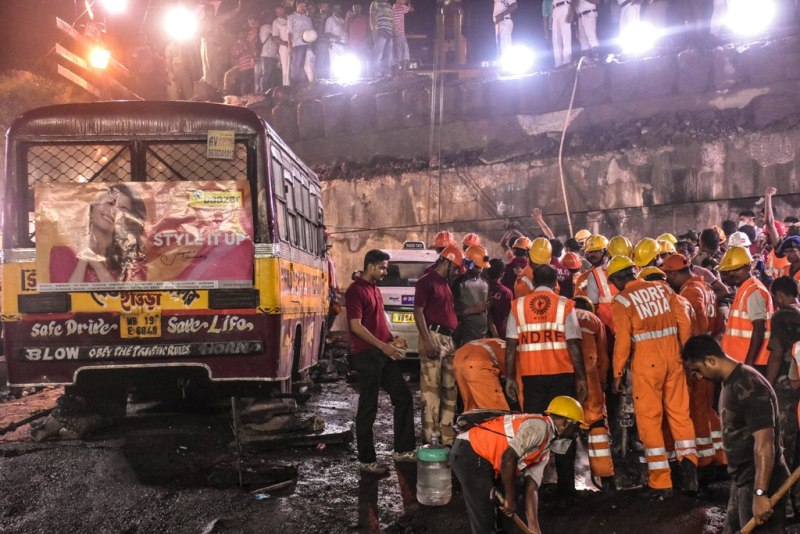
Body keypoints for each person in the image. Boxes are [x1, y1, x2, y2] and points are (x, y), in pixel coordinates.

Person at [607, 255, 698, 497]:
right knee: (680, 416)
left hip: (647, 364)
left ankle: (661, 481)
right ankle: (690, 476)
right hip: (675, 358)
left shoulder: (622, 300)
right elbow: (685, 322)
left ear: (616, 279)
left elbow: (623, 341)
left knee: (649, 420)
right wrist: (687, 354)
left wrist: (617, 373)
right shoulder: (663, 288)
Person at [681, 335, 789, 533]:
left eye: (697, 370)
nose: (697, 377)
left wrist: (760, 493)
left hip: (761, 481)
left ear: (711, 360)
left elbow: (764, 444)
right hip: (743, 482)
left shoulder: (748, 385)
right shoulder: (731, 381)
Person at [505, 264, 588, 498]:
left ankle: (532, 489)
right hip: (562, 377)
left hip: (531, 378)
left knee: (533, 431)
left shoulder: (518, 306)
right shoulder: (564, 305)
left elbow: (511, 345)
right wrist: (581, 377)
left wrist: (510, 377)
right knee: (564, 430)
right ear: (555, 283)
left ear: (532, 283)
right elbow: (573, 343)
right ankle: (565, 490)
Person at [450, 396, 585, 534]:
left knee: (506, 520)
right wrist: (510, 497)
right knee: (485, 519)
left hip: (489, 461)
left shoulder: (546, 446)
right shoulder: (539, 427)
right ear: (566, 422)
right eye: (577, 426)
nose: (577, 433)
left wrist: (534, 528)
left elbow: (531, 487)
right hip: (470, 452)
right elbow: (508, 457)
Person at [345, 249, 416, 475]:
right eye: (383, 267)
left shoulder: (374, 288)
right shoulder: (355, 290)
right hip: (366, 355)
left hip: (382, 352)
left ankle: (403, 450)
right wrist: (383, 345)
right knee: (368, 407)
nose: (386, 271)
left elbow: (377, 321)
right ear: (371, 266)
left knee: (403, 397)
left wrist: (392, 339)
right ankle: (367, 461)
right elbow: (356, 325)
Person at [663, 253, 727, 468]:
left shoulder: (690, 292)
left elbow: (691, 326)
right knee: (708, 407)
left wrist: (691, 358)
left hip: (698, 357)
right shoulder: (707, 288)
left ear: (675, 272)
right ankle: (719, 453)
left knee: (697, 408)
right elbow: (718, 323)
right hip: (709, 353)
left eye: (669, 275)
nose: (668, 281)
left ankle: (705, 458)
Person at [414, 245, 464, 445]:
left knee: (449, 389)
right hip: (433, 336)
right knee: (431, 392)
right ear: (448, 261)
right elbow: (418, 312)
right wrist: (427, 341)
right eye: (456, 268)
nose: (457, 272)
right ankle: (431, 437)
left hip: (448, 340)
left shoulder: (446, 283)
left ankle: (446, 435)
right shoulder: (426, 282)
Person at [50, 185, 147, 284]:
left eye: (122, 209)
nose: (113, 211)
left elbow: (121, 297)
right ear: (93, 205)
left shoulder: (133, 258)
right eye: (110, 203)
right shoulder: (62, 253)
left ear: (128, 220)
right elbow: (65, 295)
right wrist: (83, 260)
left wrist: (95, 262)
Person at [573, 296, 615, 489]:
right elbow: (603, 356)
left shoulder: (562, 316)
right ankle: (605, 479)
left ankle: (563, 479)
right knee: (596, 425)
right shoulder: (594, 320)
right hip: (590, 378)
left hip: (563, 375)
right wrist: (602, 381)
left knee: (564, 426)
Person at [766, 276, 800, 513]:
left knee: (784, 443)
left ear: (778, 295)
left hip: (787, 385)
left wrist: (766, 384)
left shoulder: (781, 316)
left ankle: (785, 502)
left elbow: (776, 354)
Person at [719, 246, 773, 373]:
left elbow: (759, 328)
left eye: (736, 270)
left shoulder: (754, 291)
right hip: (739, 360)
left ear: (749, 267)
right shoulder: (745, 288)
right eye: (729, 271)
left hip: (750, 362)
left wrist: (749, 365)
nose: (732, 274)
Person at [453, 338, 509, 411]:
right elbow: (522, 393)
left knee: (472, 409)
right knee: (496, 412)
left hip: (458, 357)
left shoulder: (502, 344)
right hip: (477, 363)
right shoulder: (521, 357)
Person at [575, 234, 616, 330]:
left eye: (596, 251)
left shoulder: (616, 271)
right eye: (589, 252)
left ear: (606, 252)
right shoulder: (583, 278)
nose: (591, 255)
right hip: (600, 325)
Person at [453, 245, 492, 344]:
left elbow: (488, 313)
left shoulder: (485, 282)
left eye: (482, 267)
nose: (480, 270)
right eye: (477, 266)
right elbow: (451, 314)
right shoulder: (458, 284)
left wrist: (493, 332)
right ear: (468, 264)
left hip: (482, 337)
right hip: (465, 338)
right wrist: (472, 310)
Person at [199, 0, 242, 90]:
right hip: (207, 46)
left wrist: (237, 9)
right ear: (207, 12)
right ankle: (209, 86)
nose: (213, 12)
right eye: (211, 11)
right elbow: (199, 34)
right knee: (208, 68)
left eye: (213, 10)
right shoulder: (202, 22)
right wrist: (210, 33)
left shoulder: (216, 19)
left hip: (216, 47)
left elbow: (227, 16)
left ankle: (215, 88)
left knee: (217, 68)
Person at [485, 258, 513, 339]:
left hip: (481, 334)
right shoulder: (506, 292)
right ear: (502, 274)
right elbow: (508, 318)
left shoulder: (481, 287)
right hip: (501, 335)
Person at [289, 1, 314, 85]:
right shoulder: (291, 17)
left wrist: (311, 45)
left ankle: (303, 84)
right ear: (297, 6)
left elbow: (311, 33)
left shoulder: (308, 19)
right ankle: (294, 85)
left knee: (306, 65)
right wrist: (290, 46)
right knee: (297, 64)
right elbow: (289, 32)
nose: (303, 8)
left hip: (307, 45)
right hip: (297, 44)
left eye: (304, 6)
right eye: (301, 6)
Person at [369, 0, 394, 77]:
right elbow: (372, 16)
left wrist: (394, 32)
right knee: (378, 52)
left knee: (388, 53)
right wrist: (373, 29)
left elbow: (392, 20)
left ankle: (387, 73)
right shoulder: (375, 3)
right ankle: (376, 72)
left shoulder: (389, 5)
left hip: (389, 31)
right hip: (380, 30)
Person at [256, 11, 279, 92]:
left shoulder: (263, 27)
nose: (272, 18)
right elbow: (277, 33)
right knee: (267, 74)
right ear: (266, 18)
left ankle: (269, 92)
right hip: (268, 54)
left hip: (270, 54)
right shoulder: (266, 26)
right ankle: (263, 92)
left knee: (270, 74)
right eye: (270, 17)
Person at [325, 4, 348, 73]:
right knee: (335, 65)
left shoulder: (342, 20)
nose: (338, 11)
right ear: (333, 10)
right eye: (336, 9)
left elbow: (345, 30)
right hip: (335, 45)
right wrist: (337, 37)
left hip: (343, 45)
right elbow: (327, 33)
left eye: (339, 9)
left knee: (343, 64)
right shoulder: (330, 19)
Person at [273, 5, 291, 86]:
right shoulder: (276, 22)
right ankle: (286, 87)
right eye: (277, 11)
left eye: (280, 10)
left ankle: (298, 87)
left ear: (284, 9)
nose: (279, 13)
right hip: (284, 46)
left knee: (296, 66)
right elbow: (275, 37)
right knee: (286, 68)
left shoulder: (291, 18)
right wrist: (285, 44)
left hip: (296, 45)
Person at [392, 0, 413, 68]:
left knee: (397, 54)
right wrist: (409, 3)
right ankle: (403, 73)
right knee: (404, 53)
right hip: (399, 33)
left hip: (394, 33)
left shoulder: (393, 7)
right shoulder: (401, 7)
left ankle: (398, 72)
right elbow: (412, 9)